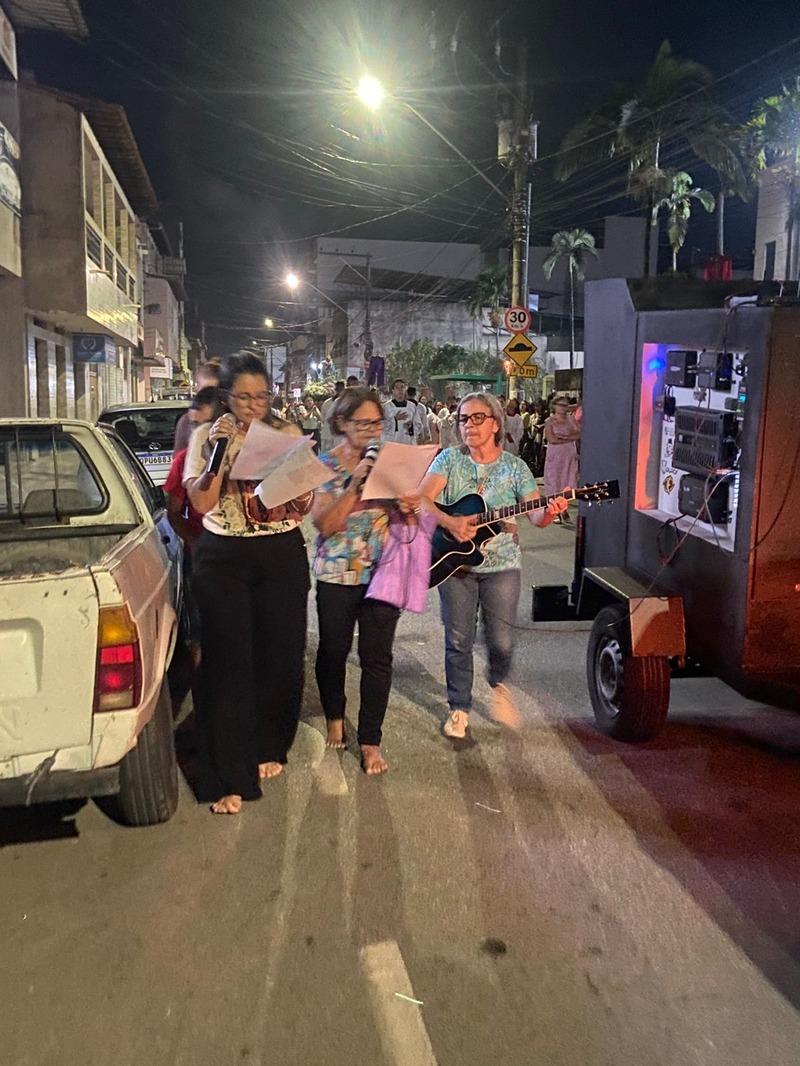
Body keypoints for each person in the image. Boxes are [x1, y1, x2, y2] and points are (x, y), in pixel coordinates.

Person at [184, 353, 313, 814]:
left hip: (281, 551)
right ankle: (229, 777)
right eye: (244, 397)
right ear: (225, 396)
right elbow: (201, 503)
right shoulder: (205, 435)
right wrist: (219, 455)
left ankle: (269, 745)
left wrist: (296, 485)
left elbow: (305, 504)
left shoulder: (287, 432)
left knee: (280, 656)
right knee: (227, 663)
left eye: (262, 396)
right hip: (224, 555)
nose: (255, 405)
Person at [419, 392, 568, 739]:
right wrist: (451, 522)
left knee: (501, 641)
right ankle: (459, 706)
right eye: (463, 419)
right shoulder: (449, 460)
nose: (468, 425)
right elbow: (422, 500)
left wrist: (551, 511)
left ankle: (498, 682)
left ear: (496, 424)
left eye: (477, 418)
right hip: (454, 564)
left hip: (502, 564)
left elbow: (536, 516)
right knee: (458, 639)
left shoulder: (515, 467)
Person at [312, 386, 420, 774]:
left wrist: (408, 505)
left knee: (377, 658)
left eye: (377, 423)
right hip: (337, 573)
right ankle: (334, 715)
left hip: (383, 574)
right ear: (341, 423)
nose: (373, 431)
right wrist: (356, 482)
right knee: (333, 651)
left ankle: (371, 740)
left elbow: (410, 520)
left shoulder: (392, 462)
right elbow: (325, 524)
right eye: (363, 423)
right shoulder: (324, 465)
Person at [163, 387, 218, 669]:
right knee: (199, 630)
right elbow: (173, 512)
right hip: (200, 556)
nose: (199, 433)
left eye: (206, 425)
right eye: (194, 425)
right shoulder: (184, 460)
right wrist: (194, 543)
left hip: (236, 558)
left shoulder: (245, 459)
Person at [543, 396, 581, 525]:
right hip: (555, 455)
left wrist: (564, 438)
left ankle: (563, 508)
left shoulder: (570, 420)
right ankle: (555, 511)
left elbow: (579, 433)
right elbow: (551, 438)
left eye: (565, 405)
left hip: (568, 455)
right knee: (554, 481)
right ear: (554, 406)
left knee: (567, 481)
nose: (563, 408)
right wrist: (568, 438)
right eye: (561, 405)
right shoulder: (549, 421)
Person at [174, 359, 221, 452]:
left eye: (213, 390)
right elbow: (179, 456)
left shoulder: (235, 420)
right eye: (204, 390)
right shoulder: (186, 421)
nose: (208, 395)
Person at [383, 378, 428, 445]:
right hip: (392, 442)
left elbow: (419, 425)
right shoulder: (387, 407)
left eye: (402, 387)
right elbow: (382, 427)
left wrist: (411, 426)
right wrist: (394, 419)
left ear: (405, 390)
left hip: (408, 442)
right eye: (397, 388)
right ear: (393, 391)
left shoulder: (412, 406)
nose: (400, 390)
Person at [320, 381, 345, 451]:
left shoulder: (344, 402)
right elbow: (327, 419)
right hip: (328, 435)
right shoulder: (328, 403)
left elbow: (323, 419)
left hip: (337, 437)